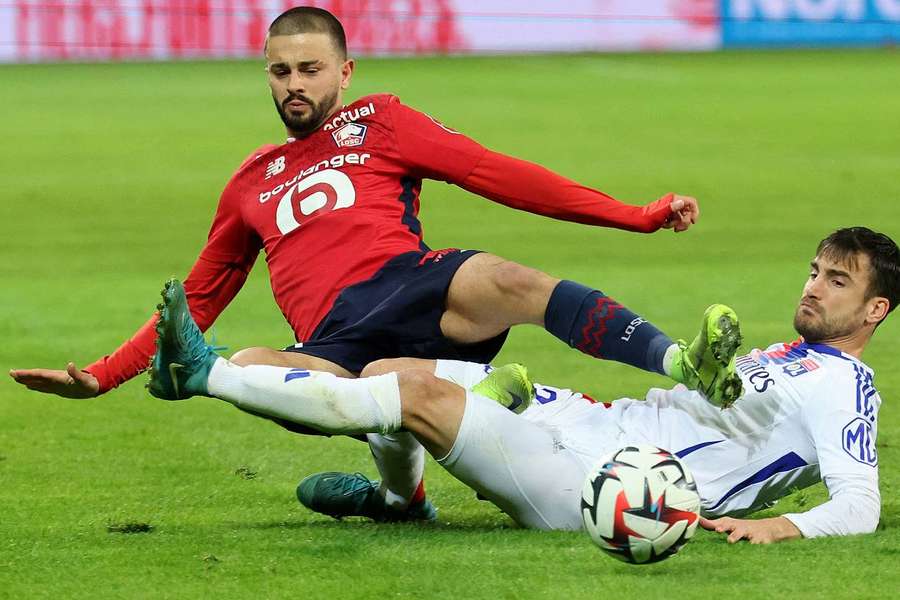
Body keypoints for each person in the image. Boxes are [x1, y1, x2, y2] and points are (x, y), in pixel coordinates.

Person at [11, 7, 727, 518]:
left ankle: (678, 362)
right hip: (337, 341)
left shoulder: (377, 120)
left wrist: (634, 215)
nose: (295, 84)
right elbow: (195, 303)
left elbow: (494, 172)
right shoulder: (249, 182)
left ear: (345, 71)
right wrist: (103, 378)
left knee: (507, 278)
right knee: (253, 370)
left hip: (416, 288)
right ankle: (402, 493)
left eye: (310, 69)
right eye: (280, 71)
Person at [148, 227, 897, 543]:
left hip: (611, 490)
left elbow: (860, 504)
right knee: (386, 372)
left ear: (874, 310)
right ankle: (398, 499)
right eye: (813, 271)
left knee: (417, 402)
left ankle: (203, 372)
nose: (812, 288)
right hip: (592, 423)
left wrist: (777, 527)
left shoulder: (846, 388)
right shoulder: (788, 356)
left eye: (836, 282)